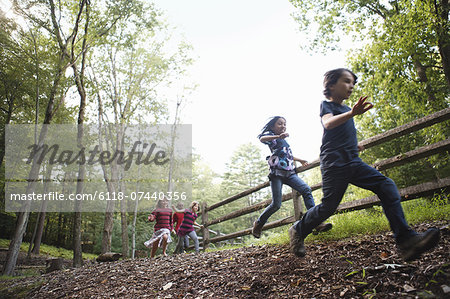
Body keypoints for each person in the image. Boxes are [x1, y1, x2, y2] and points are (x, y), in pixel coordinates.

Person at [289, 68, 440, 261]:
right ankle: (298, 230)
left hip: (353, 161)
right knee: (328, 206)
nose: (351, 86)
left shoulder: (346, 110)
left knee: (386, 185)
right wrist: (352, 113)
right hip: (335, 164)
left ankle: (406, 240)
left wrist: (354, 143)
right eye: (346, 81)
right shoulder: (328, 106)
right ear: (331, 85)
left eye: (353, 83)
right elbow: (328, 124)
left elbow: (343, 131)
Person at [252, 116, 332, 238]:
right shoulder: (271, 137)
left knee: (306, 190)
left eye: (284, 124)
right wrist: (278, 137)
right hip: (277, 173)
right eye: (279, 124)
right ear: (273, 126)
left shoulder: (285, 141)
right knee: (276, 204)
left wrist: (300, 160)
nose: (283, 126)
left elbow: (287, 155)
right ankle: (259, 223)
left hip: (289, 173)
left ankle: (316, 222)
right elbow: (262, 139)